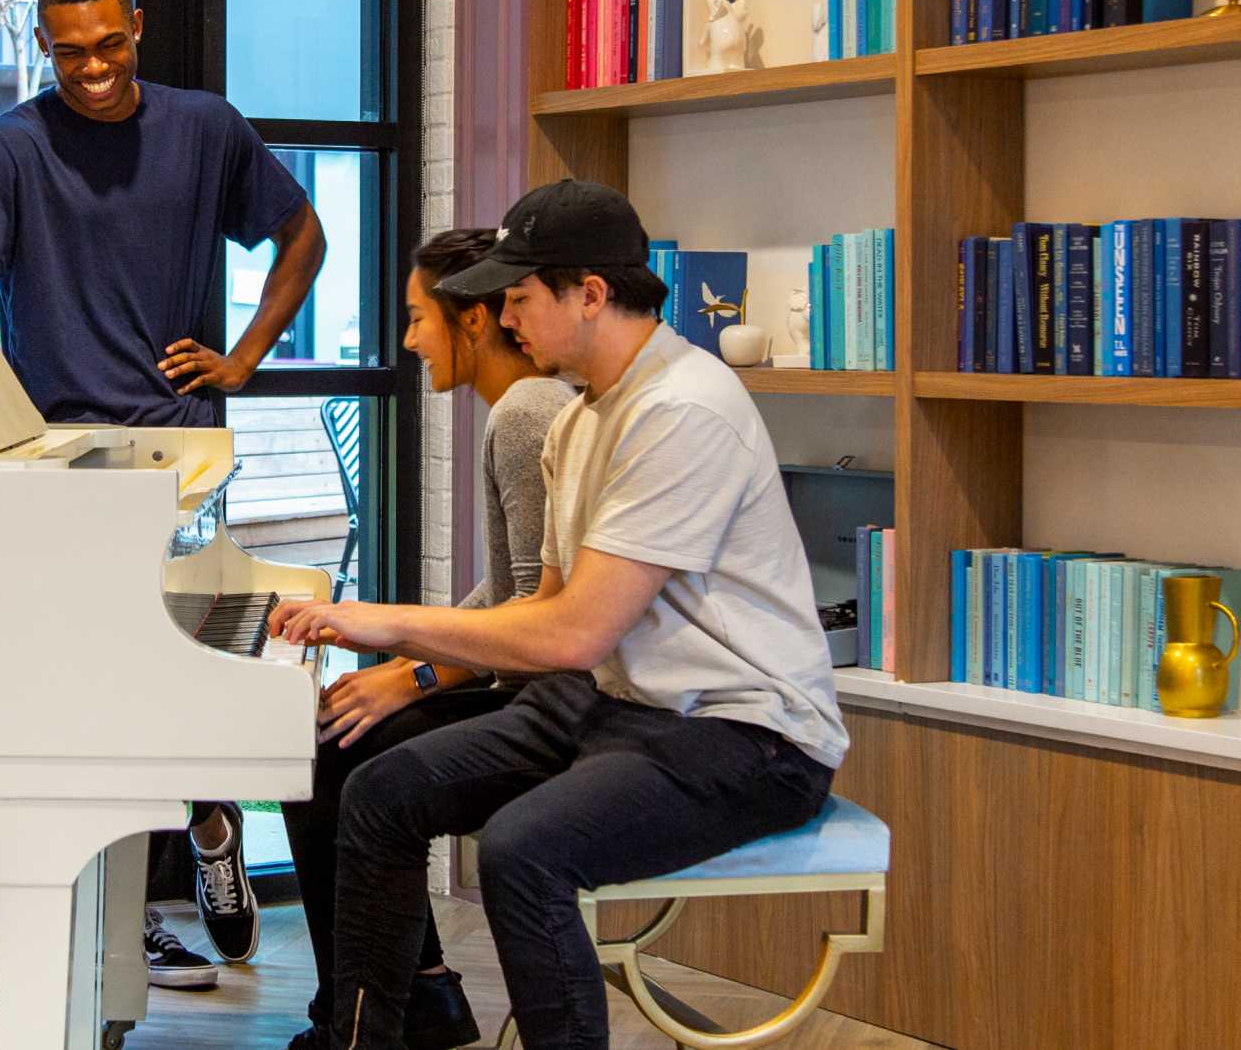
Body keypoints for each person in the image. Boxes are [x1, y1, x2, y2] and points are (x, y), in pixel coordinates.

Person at [269, 179, 846, 1050]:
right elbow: (540, 617)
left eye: (522, 298)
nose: (506, 319)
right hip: (623, 707)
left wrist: (390, 626)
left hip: (747, 735)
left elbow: (574, 632)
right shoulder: (579, 418)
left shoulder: (683, 409)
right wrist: (406, 650)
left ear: (591, 294)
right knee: (380, 790)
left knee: (523, 848)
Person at [0, 0, 327, 989]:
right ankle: (134, 908)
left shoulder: (204, 128)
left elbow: (303, 233)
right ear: (42, 46)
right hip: (55, 468)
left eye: (110, 45)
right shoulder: (5, 148)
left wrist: (241, 358)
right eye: (70, 52)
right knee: (83, 698)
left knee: (172, 672)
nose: (94, 69)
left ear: (138, 25)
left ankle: (199, 831)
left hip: (181, 456)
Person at [277, 229, 575, 1050]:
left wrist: (410, 678)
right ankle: (419, 994)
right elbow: (511, 590)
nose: (407, 340)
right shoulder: (524, 409)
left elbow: (534, 617)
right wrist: (404, 664)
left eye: (416, 318)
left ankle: (374, 1016)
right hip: (529, 683)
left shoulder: (527, 413)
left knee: (332, 749)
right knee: (337, 735)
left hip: (549, 704)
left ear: (474, 321)